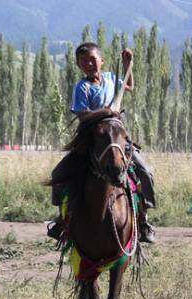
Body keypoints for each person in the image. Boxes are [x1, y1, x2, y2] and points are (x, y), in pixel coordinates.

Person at [48, 42, 156, 243]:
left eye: (92, 60)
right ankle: (62, 220)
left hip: (116, 137)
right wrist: (106, 113)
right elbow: (82, 116)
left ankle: (143, 220)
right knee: (59, 174)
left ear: (102, 61)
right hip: (93, 139)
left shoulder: (110, 78)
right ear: (79, 66)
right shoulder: (82, 87)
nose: (89, 64)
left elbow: (129, 86)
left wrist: (127, 65)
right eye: (83, 62)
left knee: (145, 172)